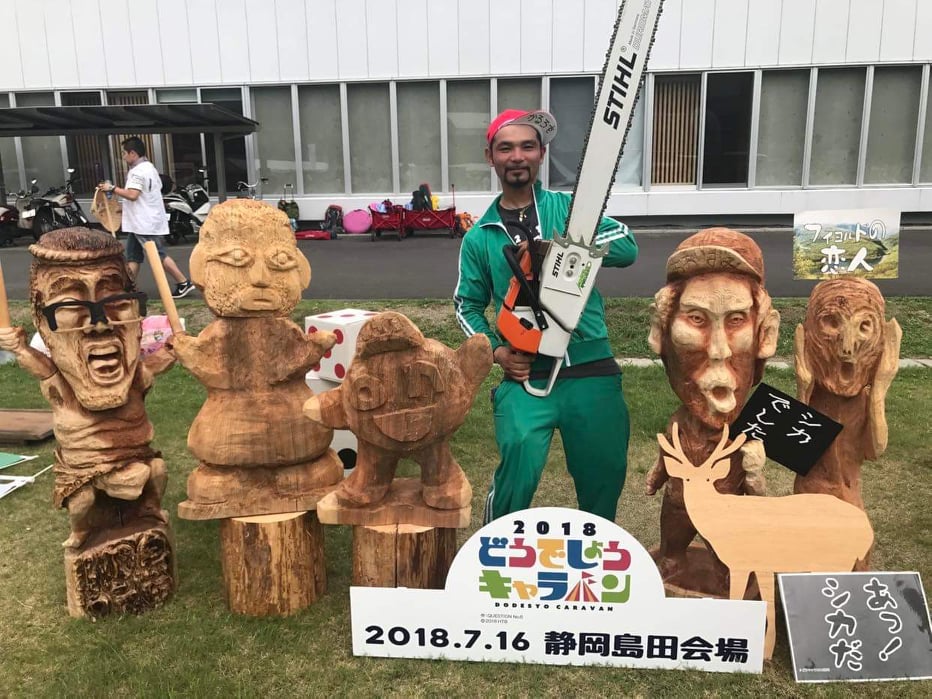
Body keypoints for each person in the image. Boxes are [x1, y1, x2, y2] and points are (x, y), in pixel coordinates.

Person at [454, 108, 638, 524]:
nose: (517, 156)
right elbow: (466, 305)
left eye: (527, 146)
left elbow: (627, 247)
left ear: (540, 154)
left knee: (604, 473)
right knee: (516, 472)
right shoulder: (480, 235)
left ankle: (594, 553)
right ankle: (496, 547)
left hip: (590, 365)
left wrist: (563, 250)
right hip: (526, 370)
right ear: (490, 157)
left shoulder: (569, 210)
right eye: (506, 148)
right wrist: (497, 352)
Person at [644, 228, 780, 586]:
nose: (719, 350)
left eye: (736, 320)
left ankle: (726, 571)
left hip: (727, 513)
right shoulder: (678, 424)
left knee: (728, 551)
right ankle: (672, 557)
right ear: (660, 332)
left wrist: (755, 475)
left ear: (766, 334)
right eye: (696, 319)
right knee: (673, 537)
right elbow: (666, 455)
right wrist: (658, 474)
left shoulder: (747, 433)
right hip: (678, 505)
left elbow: (757, 493)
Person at [99, 137, 194, 298]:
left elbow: (133, 195)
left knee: (158, 255)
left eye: (124, 153)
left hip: (143, 223)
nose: (123, 157)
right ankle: (127, 289)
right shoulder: (150, 168)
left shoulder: (138, 172)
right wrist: (123, 209)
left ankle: (183, 282)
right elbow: (145, 196)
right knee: (133, 256)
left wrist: (112, 188)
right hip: (141, 221)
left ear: (133, 153)